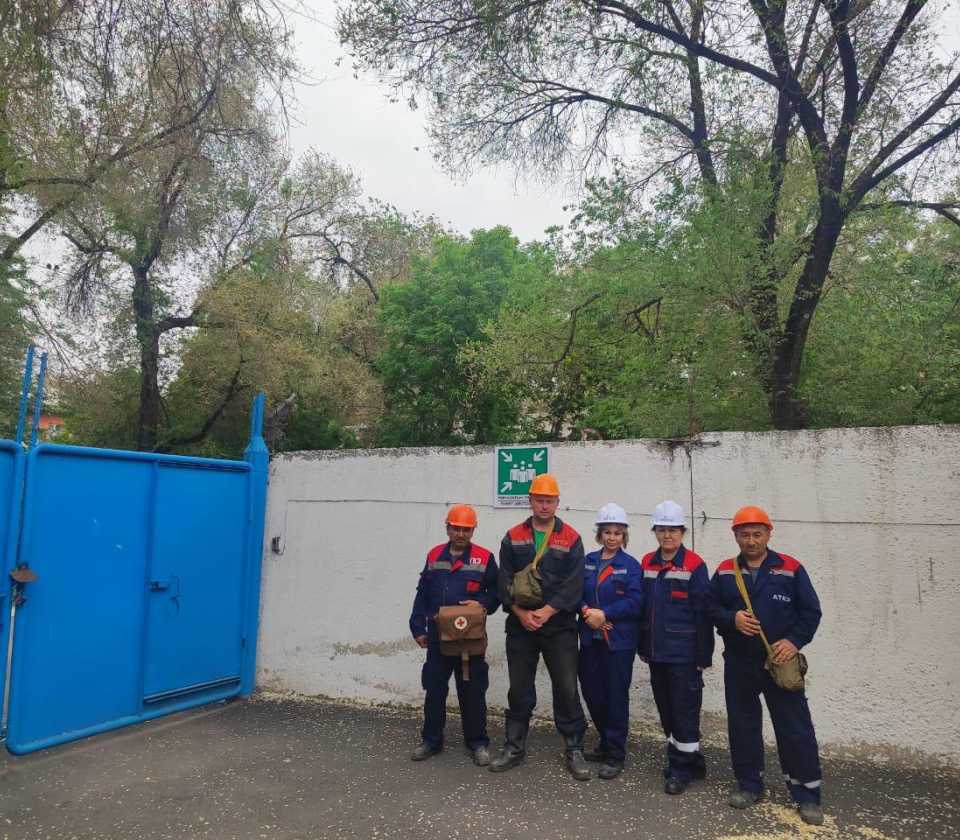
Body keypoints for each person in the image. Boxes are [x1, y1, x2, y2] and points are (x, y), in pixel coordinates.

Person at [707, 506, 825, 826]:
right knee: (743, 725)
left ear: (769, 534)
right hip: (739, 663)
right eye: (744, 534)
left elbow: (811, 612)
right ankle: (749, 785)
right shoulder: (724, 571)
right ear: (735, 536)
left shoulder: (790, 568)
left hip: (780, 663)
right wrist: (731, 619)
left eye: (757, 534)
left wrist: (794, 642)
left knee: (795, 727)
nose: (751, 541)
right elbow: (708, 607)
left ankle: (807, 794)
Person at [489, 473, 591, 780]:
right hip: (521, 626)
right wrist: (521, 613)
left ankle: (574, 748)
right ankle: (513, 747)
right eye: (539, 500)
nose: (544, 506)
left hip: (559, 626)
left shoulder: (571, 538)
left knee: (566, 688)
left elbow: (575, 584)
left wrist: (546, 612)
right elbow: (504, 581)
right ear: (530, 501)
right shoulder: (513, 536)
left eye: (549, 501)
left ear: (557, 503)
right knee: (519, 688)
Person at [409, 504, 500, 766]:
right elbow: (423, 593)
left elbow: (497, 592)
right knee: (434, 689)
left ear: (473, 530)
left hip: (469, 638)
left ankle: (478, 743)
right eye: (456, 528)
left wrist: (482, 603)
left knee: (473, 691)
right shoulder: (434, 555)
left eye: (466, 529)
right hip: (438, 635)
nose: (461, 534)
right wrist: (418, 627)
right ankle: (431, 741)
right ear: (447, 528)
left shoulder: (484, 558)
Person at [638, 500, 714, 794]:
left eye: (673, 530)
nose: (667, 535)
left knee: (684, 712)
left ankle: (681, 770)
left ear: (682, 532)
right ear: (655, 531)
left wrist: (703, 655)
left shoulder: (695, 565)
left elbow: (704, 613)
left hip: (685, 655)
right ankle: (692, 761)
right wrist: (643, 646)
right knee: (667, 711)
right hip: (656, 654)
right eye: (662, 529)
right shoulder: (647, 562)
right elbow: (643, 609)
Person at [577, 503, 644, 780]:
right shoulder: (588, 561)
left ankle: (615, 754)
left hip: (618, 642)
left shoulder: (631, 566)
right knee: (592, 693)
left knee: (615, 696)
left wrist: (605, 614)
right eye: (607, 532)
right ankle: (605, 741)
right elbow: (575, 592)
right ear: (600, 534)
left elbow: (636, 601)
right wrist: (587, 613)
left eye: (617, 533)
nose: (612, 537)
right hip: (589, 640)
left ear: (624, 535)